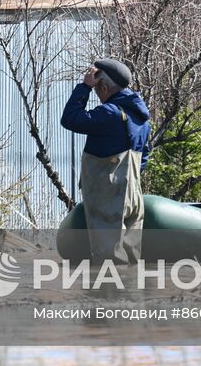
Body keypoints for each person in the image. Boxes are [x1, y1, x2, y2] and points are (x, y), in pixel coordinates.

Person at [60, 58, 151, 263]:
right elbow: (144, 156)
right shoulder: (141, 117)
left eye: (97, 88)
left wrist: (84, 87)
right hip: (134, 196)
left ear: (103, 86)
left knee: (109, 261)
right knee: (131, 258)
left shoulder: (109, 113)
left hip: (109, 200)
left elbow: (70, 118)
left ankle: (109, 296)